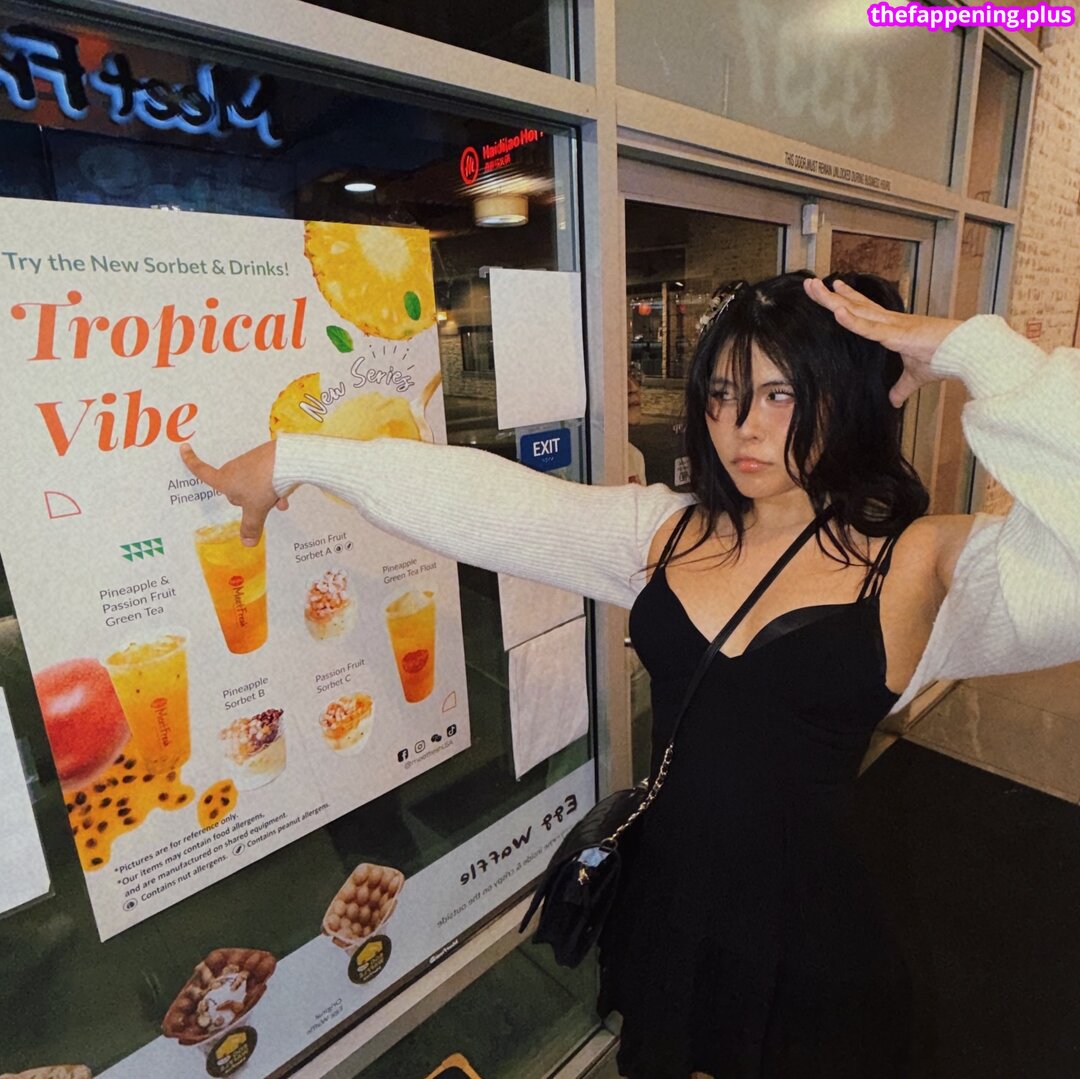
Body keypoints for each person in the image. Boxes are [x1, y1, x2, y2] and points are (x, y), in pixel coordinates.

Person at [181, 271, 1080, 1079]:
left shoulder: (921, 561)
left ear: (845, 392)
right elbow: (489, 502)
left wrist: (970, 349)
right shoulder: (669, 531)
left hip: (810, 927)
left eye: (779, 393)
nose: (743, 426)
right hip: (669, 900)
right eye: (723, 394)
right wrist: (302, 458)